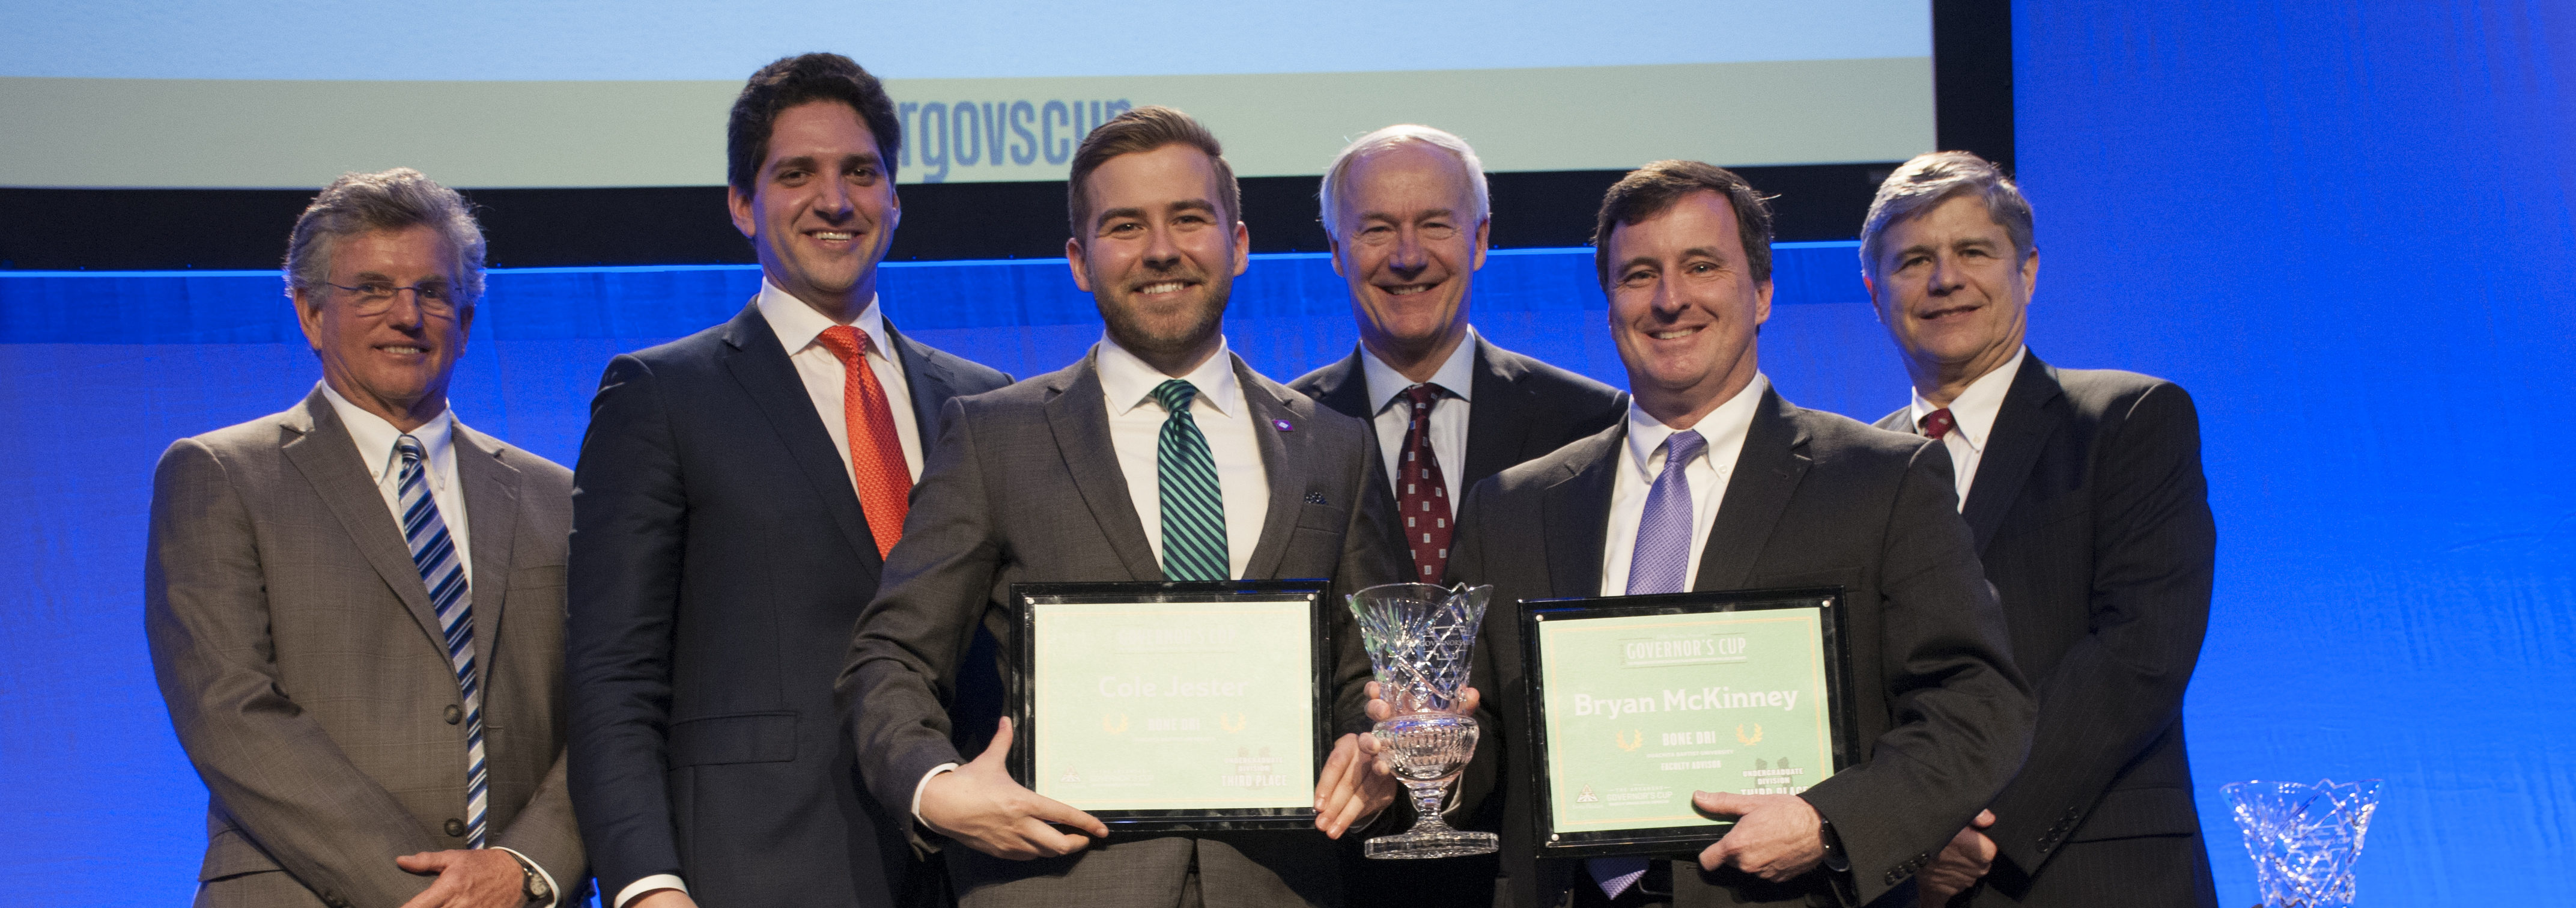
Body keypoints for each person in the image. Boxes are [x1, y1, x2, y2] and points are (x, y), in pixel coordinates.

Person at [836, 106, 1409, 907]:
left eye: (1189, 218)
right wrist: (936, 786)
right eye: (1126, 225)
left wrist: (1377, 745)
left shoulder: (1333, 444)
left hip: (1279, 885)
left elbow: (1365, 671)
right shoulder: (995, 434)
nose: (1163, 249)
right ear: (1079, 259)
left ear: (1238, 244)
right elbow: (889, 657)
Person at [1444, 160, 2034, 907]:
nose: (1669, 299)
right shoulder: (1511, 507)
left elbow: (1979, 704)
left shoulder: (1880, 480)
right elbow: (1486, 745)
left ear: (1760, 293)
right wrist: (1431, 748)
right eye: (1638, 275)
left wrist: (1828, 821)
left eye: (1701, 266)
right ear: (1608, 304)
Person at [567, 53, 1013, 908]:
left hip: (970, 872)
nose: (835, 200)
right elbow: (612, 674)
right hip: (752, 868)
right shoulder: (660, 394)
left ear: (895, 197)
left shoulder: (984, 401)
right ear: (743, 204)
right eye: (796, 174)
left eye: (861, 172)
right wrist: (645, 882)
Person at [146, 167, 582, 907]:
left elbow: (608, 709)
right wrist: (436, 896)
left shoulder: (556, 495)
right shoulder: (221, 475)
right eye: (373, 288)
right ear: (311, 313)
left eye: (434, 292)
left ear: (467, 322)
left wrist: (525, 866)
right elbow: (230, 709)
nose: (407, 314)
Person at [1859, 151, 2219, 907]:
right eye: (1913, 260)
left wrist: (1971, 826)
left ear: (2027, 272)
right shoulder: (1853, 467)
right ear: (1873, 290)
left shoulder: (2128, 420)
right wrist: (1892, 837)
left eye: (1973, 252)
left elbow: (2139, 653)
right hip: (1911, 884)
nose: (1944, 279)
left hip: (2088, 871)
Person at [1287, 123, 1623, 908]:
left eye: (1435, 223)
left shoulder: (1593, 424)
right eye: (1375, 228)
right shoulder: (1280, 436)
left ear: (1480, 240)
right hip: (1335, 866)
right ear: (1336, 251)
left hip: (1536, 869)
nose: (1408, 254)